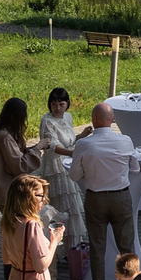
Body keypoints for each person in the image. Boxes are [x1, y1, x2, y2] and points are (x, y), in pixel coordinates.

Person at [68, 102, 141, 280]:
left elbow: (74, 175)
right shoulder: (125, 141)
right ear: (113, 120)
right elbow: (135, 168)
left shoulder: (84, 145)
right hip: (121, 198)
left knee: (97, 249)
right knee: (127, 249)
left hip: (96, 199)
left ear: (94, 119)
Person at [37, 88, 83, 230]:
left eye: (61, 104)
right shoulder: (47, 121)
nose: (57, 108)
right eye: (54, 104)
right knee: (61, 204)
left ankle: (73, 244)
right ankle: (57, 244)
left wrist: (82, 136)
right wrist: (71, 154)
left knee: (72, 203)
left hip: (69, 163)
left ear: (67, 103)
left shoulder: (67, 117)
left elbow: (69, 140)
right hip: (55, 167)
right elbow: (52, 145)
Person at [0, 97, 39, 218]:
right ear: (16, 117)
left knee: (13, 229)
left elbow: (16, 155)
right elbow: (19, 165)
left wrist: (35, 148)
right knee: (16, 229)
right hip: (9, 192)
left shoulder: (4, 134)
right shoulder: (5, 137)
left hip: (4, 191)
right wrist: (37, 148)